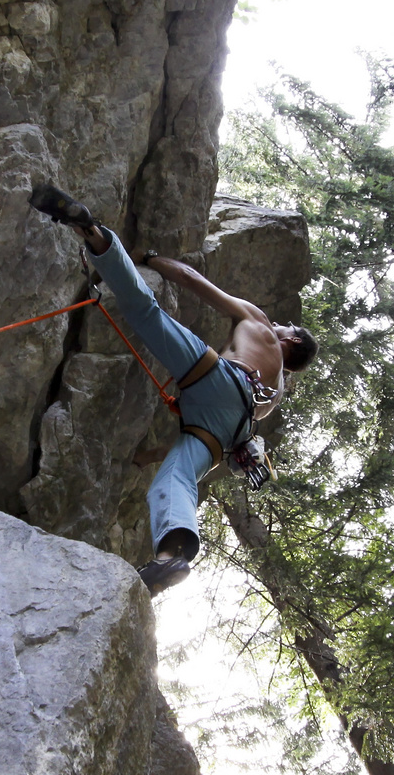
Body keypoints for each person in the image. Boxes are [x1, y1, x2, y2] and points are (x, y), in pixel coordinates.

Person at [30, 184, 318, 595]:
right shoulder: (273, 393)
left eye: (286, 328)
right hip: (229, 429)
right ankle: (171, 557)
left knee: (145, 309)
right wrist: (146, 456)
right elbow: (212, 432)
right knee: (176, 480)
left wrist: (148, 258)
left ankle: (92, 233)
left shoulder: (261, 324)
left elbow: (191, 279)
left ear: (290, 342)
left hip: (222, 379)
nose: (279, 326)